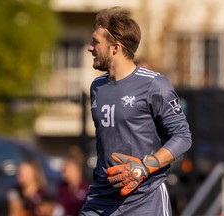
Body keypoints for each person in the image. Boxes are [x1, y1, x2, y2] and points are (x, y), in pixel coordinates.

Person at [80, 7, 192, 216]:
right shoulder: (97, 87)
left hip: (144, 199)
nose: (90, 47)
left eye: (96, 42)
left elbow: (183, 137)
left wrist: (145, 166)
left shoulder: (155, 84)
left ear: (115, 47)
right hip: (101, 198)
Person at [55, 146, 89, 216]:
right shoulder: (62, 188)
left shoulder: (88, 189)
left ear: (78, 170)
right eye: (64, 167)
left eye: (68, 167)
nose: (64, 170)